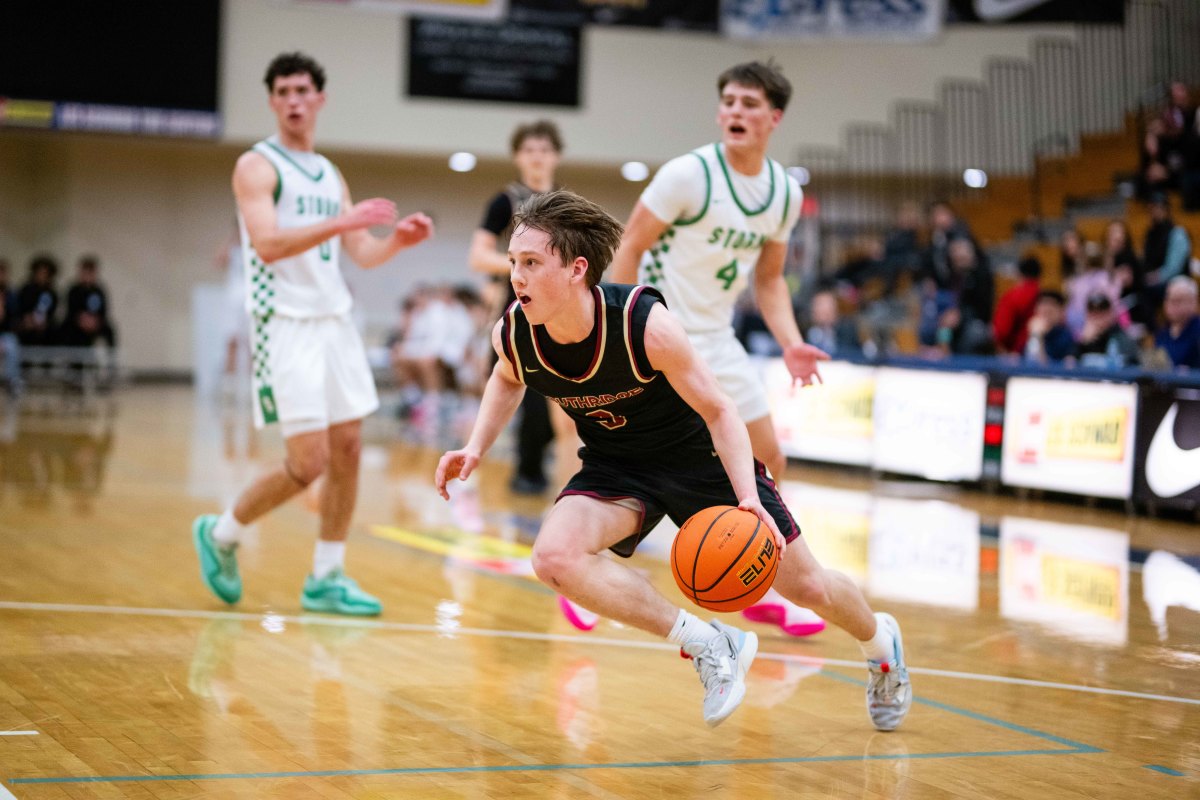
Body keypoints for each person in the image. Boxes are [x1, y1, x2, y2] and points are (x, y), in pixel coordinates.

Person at [435, 189, 911, 729]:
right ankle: (710, 643)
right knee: (554, 557)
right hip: (618, 466)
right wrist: (475, 447)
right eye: (513, 262)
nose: (517, 277)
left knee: (808, 587)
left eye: (532, 263)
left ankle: (881, 645)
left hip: (698, 459)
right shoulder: (517, 333)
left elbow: (720, 409)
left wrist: (749, 499)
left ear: (576, 269)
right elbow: (506, 377)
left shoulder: (643, 324)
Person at [191, 52, 434, 616]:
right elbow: (269, 243)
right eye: (283, 91)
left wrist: (397, 240)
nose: (294, 100)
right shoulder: (257, 166)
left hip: (335, 322)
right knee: (307, 464)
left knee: (348, 448)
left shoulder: (330, 173)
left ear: (319, 99)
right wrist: (343, 222)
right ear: (272, 101)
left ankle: (327, 575)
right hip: (285, 326)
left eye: (303, 90)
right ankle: (221, 532)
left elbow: (362, 253)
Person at [607, 60, 827, 639]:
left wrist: (792, 342)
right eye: (728, 100)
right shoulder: (687, 175)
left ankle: (753, 583)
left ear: (774, 118)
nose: (735, 110)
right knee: (639, 468)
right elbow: (628, 249)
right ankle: (593, 570)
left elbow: (770, 281)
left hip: (717, 335)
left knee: (768, 460)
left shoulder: (783, 191)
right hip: (661, 332)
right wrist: (627, 331)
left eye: (749, 103)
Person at [468, 120, 577, 496]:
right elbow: (479, 256)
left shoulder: (566, 204)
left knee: (563, 403)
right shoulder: (506, 201)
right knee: (529, 399)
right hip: (519, 313)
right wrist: (525, 265)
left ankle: (552, 474)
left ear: (556, 156)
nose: (537, 157)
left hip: (562, 313)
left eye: (544, 150)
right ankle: (527, 472)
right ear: (518, 156)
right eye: (530, 150)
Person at [59, 255, 117, 350]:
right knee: (65, 330)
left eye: (90, 273)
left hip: (95, 323)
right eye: (85, 272)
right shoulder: (73, 290)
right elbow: (70, 310)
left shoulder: (99, 291)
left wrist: (95, 321)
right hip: (75, 323)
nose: (87, 276)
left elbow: (103, 311)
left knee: (109, 330)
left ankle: (111, 361)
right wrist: (81, 320)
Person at [992, 256, 1042, 356]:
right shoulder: (1046, 298)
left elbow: (1002, 331)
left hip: (1014, 355)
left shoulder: (1012, 297)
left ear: (1018, 273)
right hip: (1041, 351)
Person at [1153, 276, 1200, 370]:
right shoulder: (1162, 332)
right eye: (1168, 299)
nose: (1171, 305)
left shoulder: (1197, 331)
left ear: (1193, 302)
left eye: (1178, 301)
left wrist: (1190, 372)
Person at [15, 254, 59, 346]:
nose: (42, 275)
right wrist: (27, 320)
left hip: (44, 327)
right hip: (26, 325)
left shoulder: (52, 293)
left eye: (45, 273)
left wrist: (44, 322)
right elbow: (20, 309)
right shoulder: (26, 289)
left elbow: (51, 313)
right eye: (40, 272)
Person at [1022, 291, 1075, 365]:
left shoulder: (1065, 336)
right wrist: (1035, 335)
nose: (1047, 309)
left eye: (1052, 305)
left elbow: (1042, 367)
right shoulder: (1026, 330)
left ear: (1061, 311)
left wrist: (1038, 337)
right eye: (1044, 304)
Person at [0, 259, 21, 395]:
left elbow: (12, 319)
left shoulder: (11, 294)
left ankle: (10, 380)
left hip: (5, 334)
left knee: (12, 345)